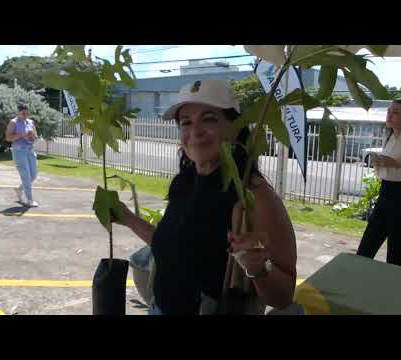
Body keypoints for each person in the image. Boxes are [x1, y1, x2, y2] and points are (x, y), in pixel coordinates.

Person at [118, 80, 297, 315]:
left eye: (209, 118)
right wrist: (127, 218)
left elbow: (283, 296)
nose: (195, 131)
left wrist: (257, 266)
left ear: (235, 127)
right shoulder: (186, 181)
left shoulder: (253, 197)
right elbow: (173, 247)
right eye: (186, 122)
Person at [357, 99, 401, 266]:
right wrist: (380, 164)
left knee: (395, 258)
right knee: (364, 251)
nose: (389, 115)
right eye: (388, 112)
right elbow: (388, 171)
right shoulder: (390, 138)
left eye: (395, 112)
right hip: (385, 197)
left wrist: (395, 164)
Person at [5, 104, 39, 207]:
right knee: (26, 176)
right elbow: (8, 138)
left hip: (30, 150)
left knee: (33, 175)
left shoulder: (30, 122)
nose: (25, 115)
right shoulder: (13, 122)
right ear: (18, 113)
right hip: (19, 151)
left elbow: (36, 138)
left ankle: (19, 190)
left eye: (27, 113)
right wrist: (21, 135)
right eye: (23, 113)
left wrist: (32, 135)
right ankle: (30, 200)